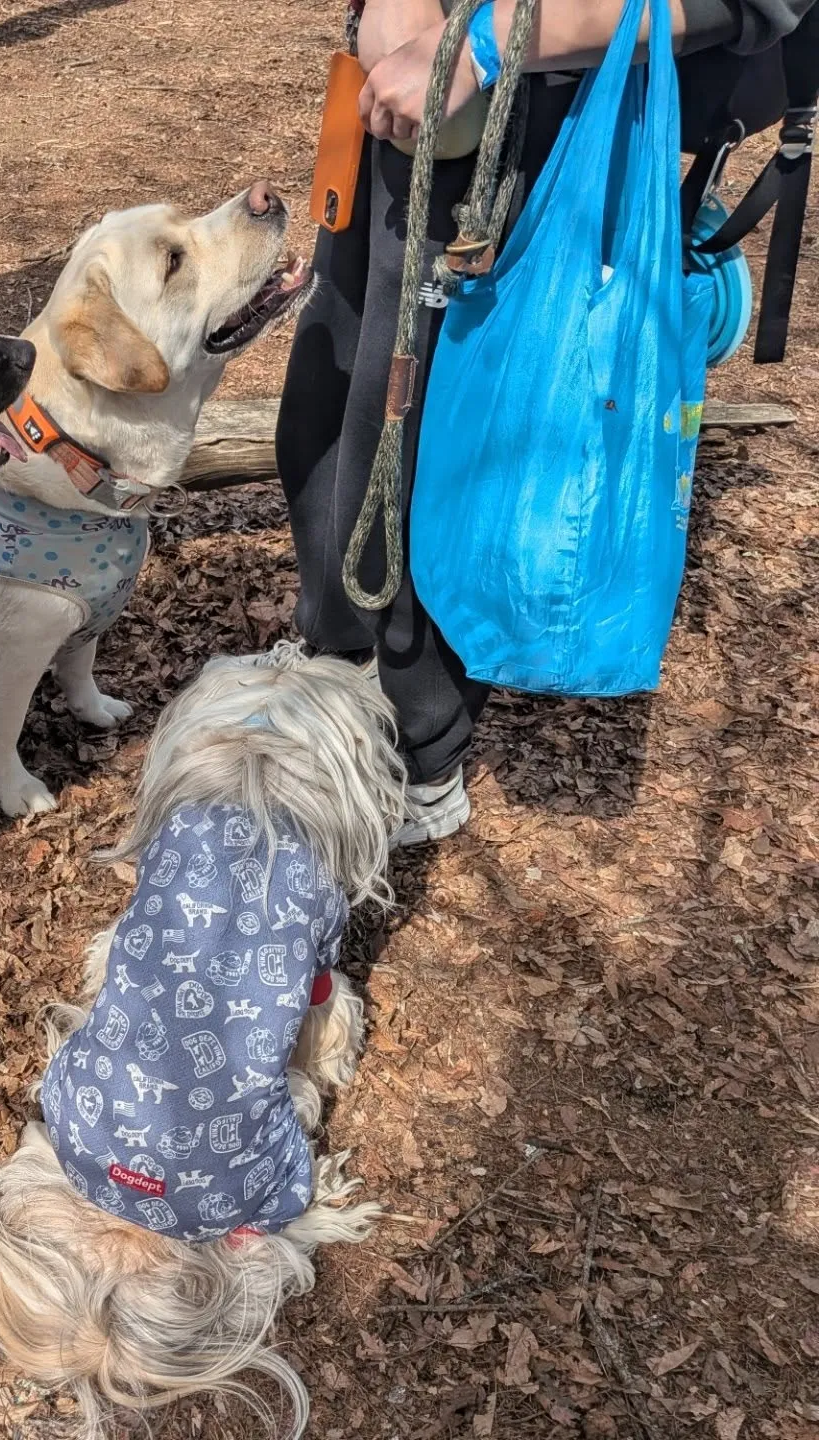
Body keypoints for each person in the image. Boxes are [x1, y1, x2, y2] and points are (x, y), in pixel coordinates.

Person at [277, 0, 817, 846]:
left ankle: (420, 749)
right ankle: (337, 667)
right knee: (336, 416)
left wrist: (478, 47)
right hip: (407, 113)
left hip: (546, 122)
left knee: (450, 450)